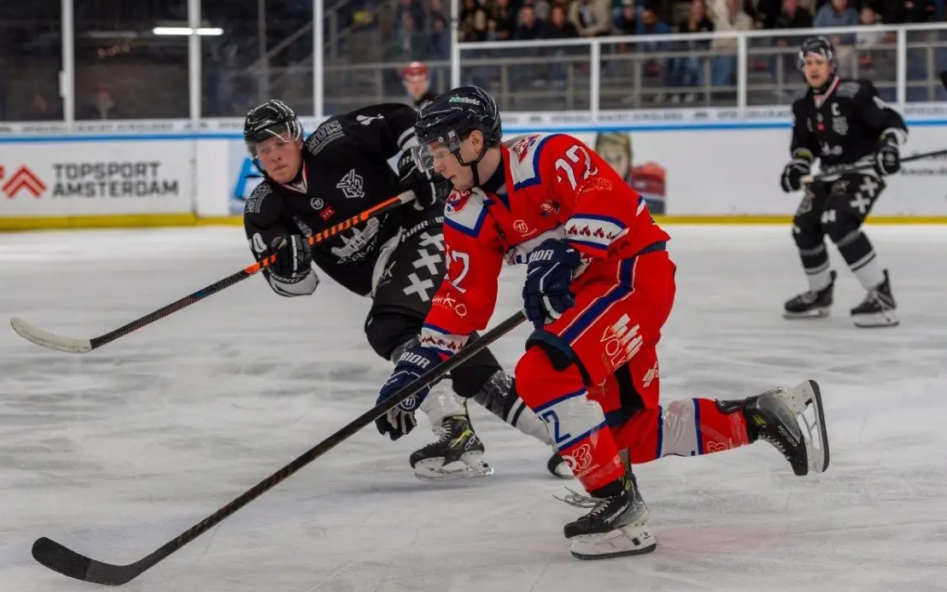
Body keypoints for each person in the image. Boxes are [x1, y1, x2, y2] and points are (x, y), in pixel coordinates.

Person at [374, 85, 830, 560]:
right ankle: (766, 415)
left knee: (541, 372)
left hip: (632, 276)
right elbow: (463, 295)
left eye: (439, 152)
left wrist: (567, 248)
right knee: (630, 434)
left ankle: (618, 504)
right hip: (589, 299)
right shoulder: (464, 208)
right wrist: (418, 365)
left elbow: (607, 198)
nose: (436, 166)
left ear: (472, 142)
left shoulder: (547, 155)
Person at [241, 100, 567, 481]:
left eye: (279, 143)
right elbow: (299, 287)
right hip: (386, 279)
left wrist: (419, 159)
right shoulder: (263, 208)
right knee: (456, 354)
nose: (274, 155)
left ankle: (453, 423)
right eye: (263, 150)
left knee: (389, 325)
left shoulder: (335, 139)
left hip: (422, 228)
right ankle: (560, 437)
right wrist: (288, 265)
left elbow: (403, 117)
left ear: (297, 137)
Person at [780, 36, 906, 328]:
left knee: (838, 220)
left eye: (819, 62)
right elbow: (803, 146)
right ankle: (820, 293)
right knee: (804, 226)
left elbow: (892, 123)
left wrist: (888, 147)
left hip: (863, 171)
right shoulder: (802, 106)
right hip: (828, 175)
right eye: (808, 63)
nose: (813, 68)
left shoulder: (855, 92)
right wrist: (798, 166)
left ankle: (881, 296)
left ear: (831, 65)